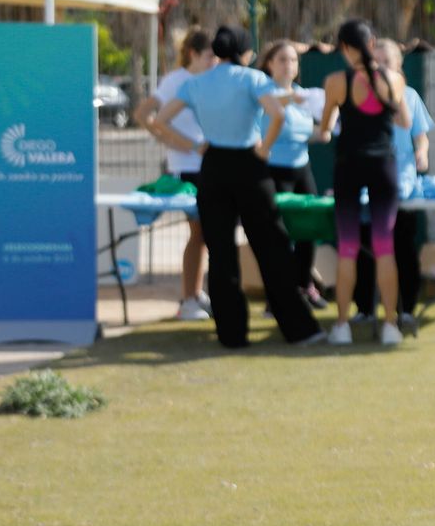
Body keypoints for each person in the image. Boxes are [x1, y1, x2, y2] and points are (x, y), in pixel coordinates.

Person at [156, 26, 324, 350]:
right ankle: (300, 330)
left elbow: (160, 119)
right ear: (245, 52)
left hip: (213, 167)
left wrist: (195, 145)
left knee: (221, 253)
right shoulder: (252, 79)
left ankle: (231, 335)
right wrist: (265, 149)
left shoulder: (197, 82)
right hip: (249, 166)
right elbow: (276, 114)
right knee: (271, 248)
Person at [318, 19, 411, 346]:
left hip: (348, 167)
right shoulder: (395, 79)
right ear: (372, 44)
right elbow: (404, 121)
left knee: (348, 248)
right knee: (385, 246)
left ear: (345, 47)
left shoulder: (335, 81)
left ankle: (341, 326)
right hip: (383, 166)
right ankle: (391, 326)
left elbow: (325, 127)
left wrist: (322, 129)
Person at [351, 38, 434, 335]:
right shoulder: (358, 94)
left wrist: (421, 152)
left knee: (402, 248)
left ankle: (406, 309)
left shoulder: (409, 96)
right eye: (376, 62)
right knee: (362, 247)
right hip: (366, 183)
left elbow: (419, 133)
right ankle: (363, 308)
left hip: (402, 184)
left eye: (387, 62)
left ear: (399, 66)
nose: (381, 68)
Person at [135, 27, 215, 321]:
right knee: (198, 233)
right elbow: (144, 114)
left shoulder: (207, 80)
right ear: (193, 54)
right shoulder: (176, 81)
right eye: (209, 55)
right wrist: (185, 144)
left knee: (205, 234)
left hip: (207, 167)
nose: (214, 62)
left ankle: (195, 294)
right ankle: (188, 298)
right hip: (188, 169)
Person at [257, 38, 325, 311]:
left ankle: (304, 285)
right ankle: (278, 296)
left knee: (309, 228)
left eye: (293, 60)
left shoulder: (303, 96)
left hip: (302, 169)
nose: (289, 65)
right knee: (278, 235)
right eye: (282, 59)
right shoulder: (263, 92)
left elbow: (315, 133)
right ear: (269, 64)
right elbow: (270, 112)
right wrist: (291, 99)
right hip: (273, 171)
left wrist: (328, 127)